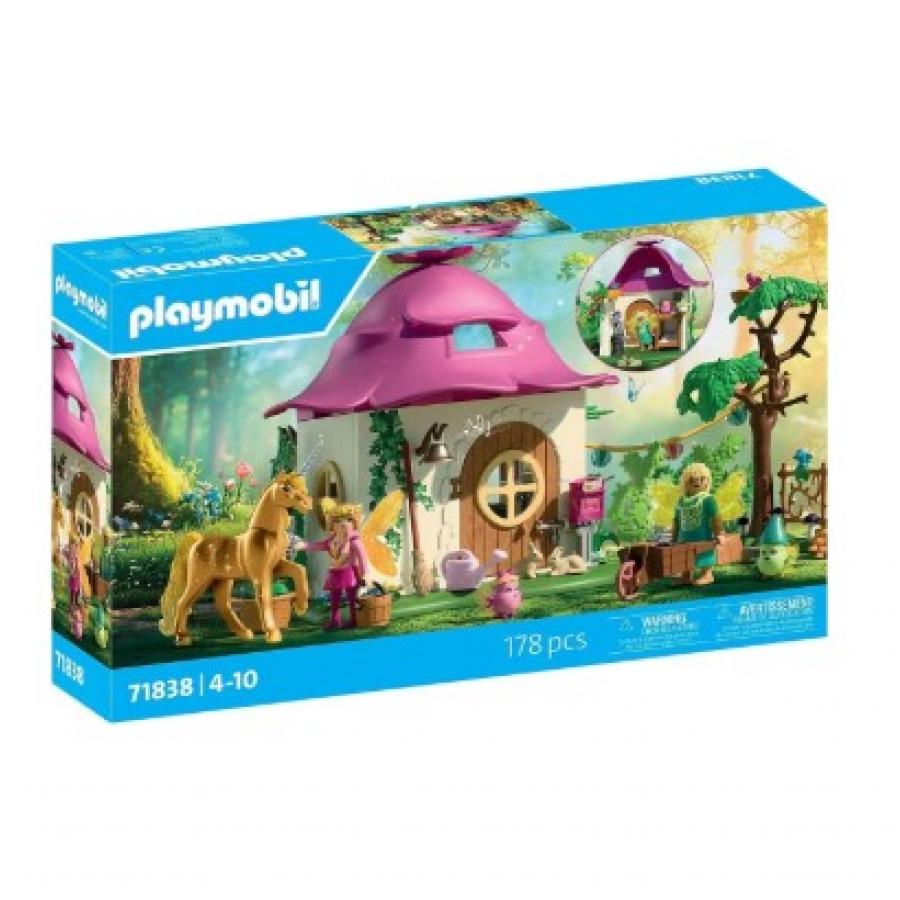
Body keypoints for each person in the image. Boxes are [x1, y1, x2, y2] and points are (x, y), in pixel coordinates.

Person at [300, 501, 369, 629]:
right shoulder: (332, 541)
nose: (343, 524)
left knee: (352, 597)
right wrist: (303, 545)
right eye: (338, 521)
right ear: (332, 524)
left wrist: (364, 574)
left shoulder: (354, 541)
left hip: (350, 572)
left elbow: (363, 558)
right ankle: (335, 621)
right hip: (335, 572)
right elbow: (319, 546)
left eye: (348, 520)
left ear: (354, 523)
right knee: (334, 597)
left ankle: (354, 619)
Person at [672, 463, 722, 586]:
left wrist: (718, 534)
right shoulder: (681, 501)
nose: (697, 481)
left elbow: (716, 518)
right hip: (683, 538)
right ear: (685, 483)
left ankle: (707, 574)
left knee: (704, 553)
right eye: (691, 479)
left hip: (702, 537)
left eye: (701, 478)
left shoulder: (708, 499)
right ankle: (686, 575)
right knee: (684, 556)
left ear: (707, 481)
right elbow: (676, 521)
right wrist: (673, 537)